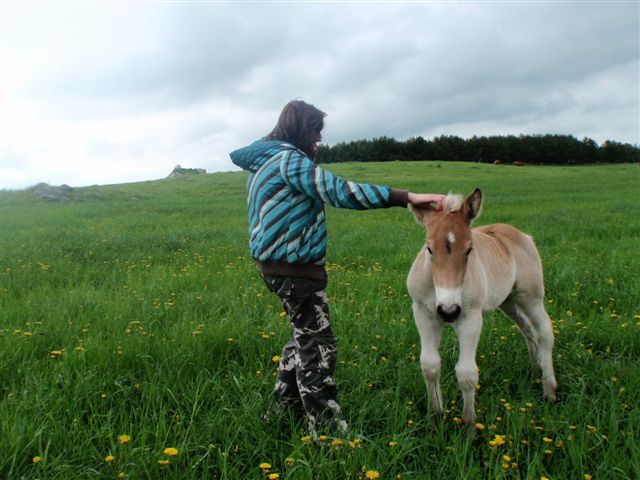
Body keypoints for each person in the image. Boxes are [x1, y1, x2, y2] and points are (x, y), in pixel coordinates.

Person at [230, 100, 445, 437]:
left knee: (302, 337)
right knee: (319, 346)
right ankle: (328, 432)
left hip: (274, 267)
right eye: (315, 130)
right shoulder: (289, 160)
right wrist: (405, 196)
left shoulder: (265, 162)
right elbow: (339, 191)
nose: (318, 138)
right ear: (301, 128)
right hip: (294, 270)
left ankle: (282, 411)